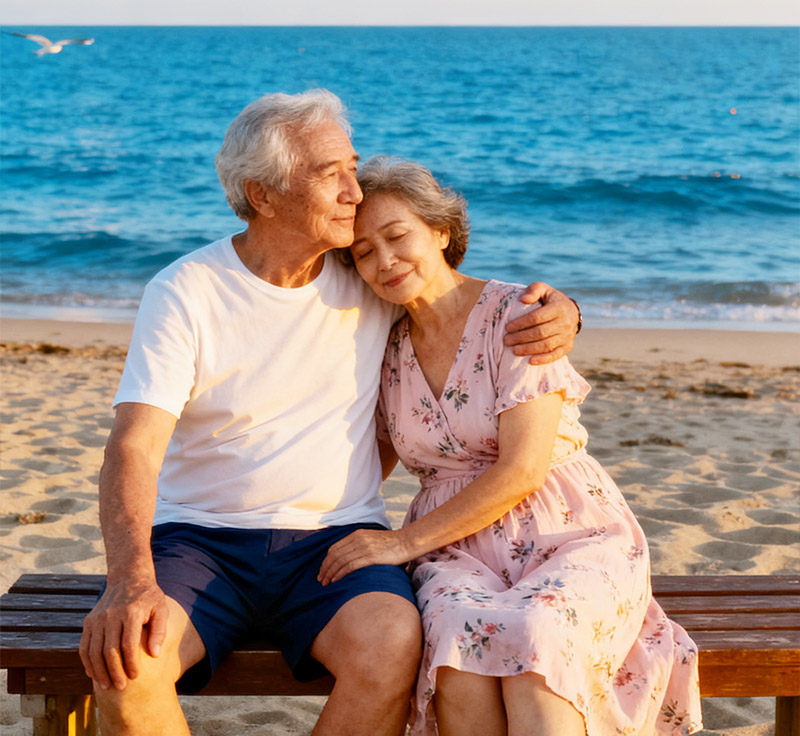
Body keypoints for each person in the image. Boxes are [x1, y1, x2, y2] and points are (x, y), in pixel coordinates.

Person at [78, 89, 581, 736]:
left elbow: (460, 297)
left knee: (391, 641)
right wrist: (128, 581)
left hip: (333, 541)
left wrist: (561, 311)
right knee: (128, 665)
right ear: (262, 194)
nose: (354, 192)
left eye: (353, 166)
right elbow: (134, 447)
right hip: (198, 540)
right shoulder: (186, 292)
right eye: (331, 174)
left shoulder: (369, 277)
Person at [318, 156, 703, 736]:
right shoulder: (385, 345)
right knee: (457, 640)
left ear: (441, 232)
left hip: (567, 529)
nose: (385, 260)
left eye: (398, 236)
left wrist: (401, 543)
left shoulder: (518, 316)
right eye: (363, 252)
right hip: (456, 548)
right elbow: (367, 461)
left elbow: (523, 469)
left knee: (539, 633)